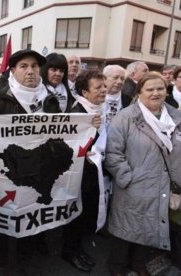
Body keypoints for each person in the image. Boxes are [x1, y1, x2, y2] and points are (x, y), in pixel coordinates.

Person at [0, 49, 50, 272]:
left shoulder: (49, 100)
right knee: (3, 216)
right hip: (6, 171)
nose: (30, 71)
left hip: (37, 170)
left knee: (29, 216)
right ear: (13, 70)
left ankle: (24, 262)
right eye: (23, 66)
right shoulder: (0, 98)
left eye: (34, 66)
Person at [105, 72, 181, 275]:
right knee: (126, 232)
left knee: (149, 233)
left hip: (165, 188)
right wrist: (127, 178)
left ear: (167, 90)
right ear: (139, 93)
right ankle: (117, 269)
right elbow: (112, 153)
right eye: (150, 89)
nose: (156, 93)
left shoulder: (176, 117)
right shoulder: (126, 117)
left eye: (160, 88)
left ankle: (139, 266)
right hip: (133, 188)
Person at [61, 70, 106, 273]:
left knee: (85, 211)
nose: (104, 90)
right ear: (84, 92)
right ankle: (70, 251)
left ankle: (78, 248)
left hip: (92, 172)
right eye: (98, 87)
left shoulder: (98, 108)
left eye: (104, 86)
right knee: (75, 214)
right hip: (78, 175)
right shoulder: (77, 112)